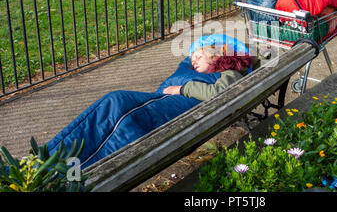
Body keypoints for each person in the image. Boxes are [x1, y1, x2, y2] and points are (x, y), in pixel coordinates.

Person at [46, 36, 253, 168]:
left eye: (198, 56)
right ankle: (46, 163)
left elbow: (222, 92)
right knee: (112, 110)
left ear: (216, 55)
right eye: (191, 60)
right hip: (160, 104)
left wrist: (182, 88)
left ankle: (54, 169)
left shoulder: (229, 71)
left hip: (175, 110)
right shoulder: (195, 68)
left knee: (117, 107)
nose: (194, 62)